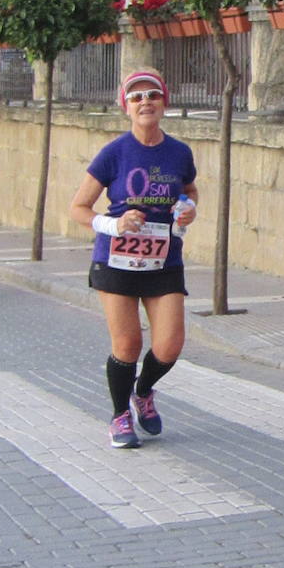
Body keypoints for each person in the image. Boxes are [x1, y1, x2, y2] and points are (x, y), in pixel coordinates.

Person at [69, 68, 198, 449]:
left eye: (152, 95)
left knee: (170, 345)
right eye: (137, 96)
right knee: (126, 345)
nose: (145, 102)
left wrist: (188, 208)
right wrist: (114, 223)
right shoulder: (113, 153)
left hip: (163, 260)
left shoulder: (179, 152)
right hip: (115, 260)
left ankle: (143, 391)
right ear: (126, 106)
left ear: (164, 102)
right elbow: (78, 207)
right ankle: (119, 415)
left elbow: (189, 190)